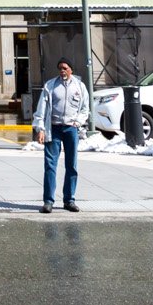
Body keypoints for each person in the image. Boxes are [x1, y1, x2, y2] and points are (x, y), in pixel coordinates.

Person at [34, 57, 88, 214]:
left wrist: (77, 122)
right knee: (50, 165)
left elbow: (85, 108)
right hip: (54, 128)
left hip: (71, 128)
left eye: (65, 68)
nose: (62, 71)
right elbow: (41, 108)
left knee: (72, 165)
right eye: (60, 68)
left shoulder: (79, 86)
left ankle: (69, 200)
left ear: (71, 69)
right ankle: (48, 201)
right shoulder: (50, 85)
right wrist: (40, 129)